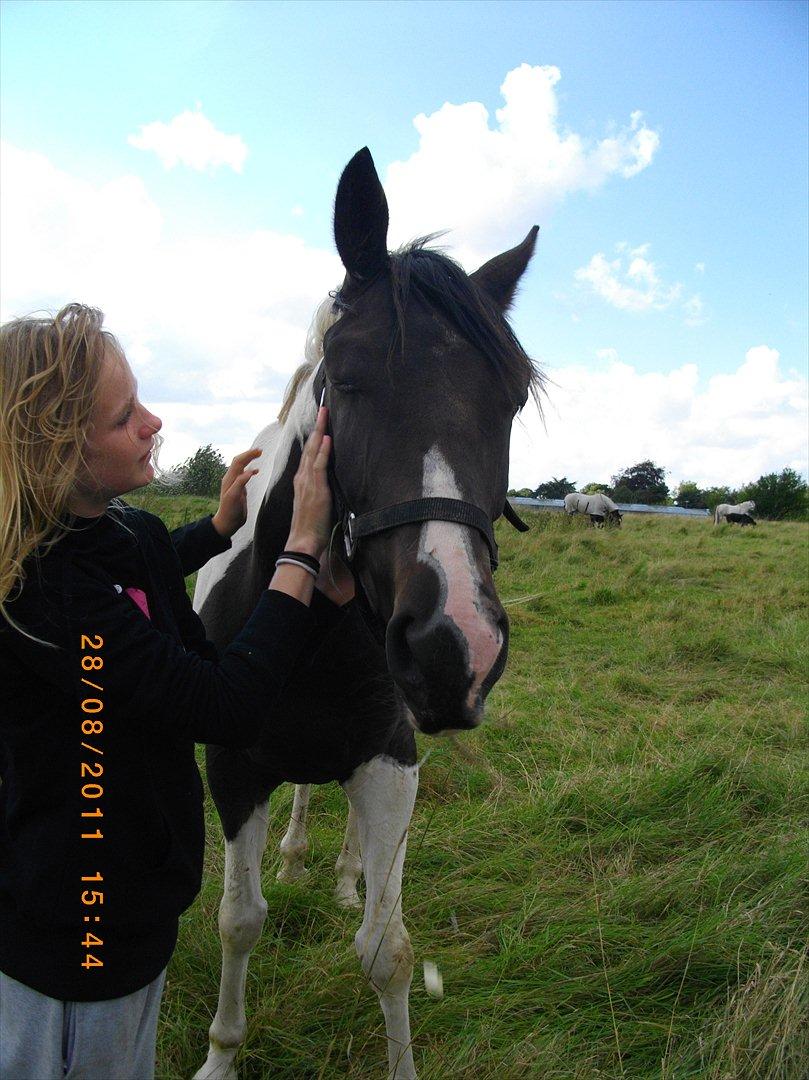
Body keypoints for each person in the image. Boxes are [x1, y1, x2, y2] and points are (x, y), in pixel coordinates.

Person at [0, 303, 353, 1079]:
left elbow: (147, 556)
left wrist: (220, 528)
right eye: (126, 416)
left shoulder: (115, 530)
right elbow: (222, 705)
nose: (155, 421)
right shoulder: (47, 588)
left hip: (137, 899)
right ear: (57, 448)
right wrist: (297, 551)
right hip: (78, 928)